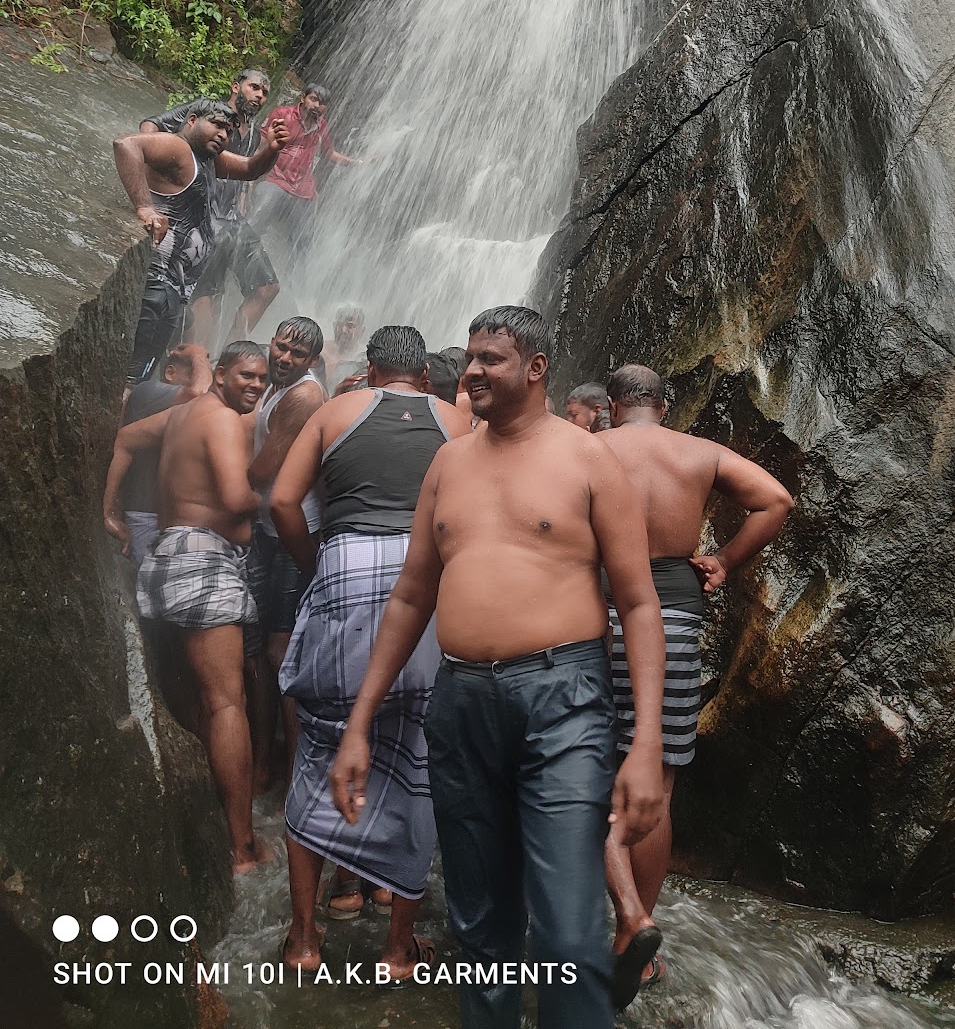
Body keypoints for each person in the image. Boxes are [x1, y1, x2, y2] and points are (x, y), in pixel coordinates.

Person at [329, 305, 666, 1029]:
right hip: (460, 704)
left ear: (536, 369)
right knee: (482, 931)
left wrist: (643, 746)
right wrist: (359, 725)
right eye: (472, 358)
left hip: (565, 700)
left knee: (569, 933)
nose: (472, 370)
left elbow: (638, 605)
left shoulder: (588, 459)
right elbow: (412, 595)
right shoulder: (448, 462)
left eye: (490, 359)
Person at [271, 326, 472, 981]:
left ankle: (305, 941)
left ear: (372, 367)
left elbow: (281, 500)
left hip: (344, 575)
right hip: (427, 585)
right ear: (423, 375)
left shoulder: (336, 410)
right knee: (415, 755)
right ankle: (397, 951)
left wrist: (314, 564)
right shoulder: (457, 421)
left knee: (320, 753)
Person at [601, 363, 795, 1006]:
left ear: (611, 404)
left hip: (595, 611)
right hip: (677, 616)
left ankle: (592, 918)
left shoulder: (589, 449)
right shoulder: (701, 452)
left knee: (586, 761)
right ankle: (638, 938)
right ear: (663, 404)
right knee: (656, 773)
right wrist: (724, 561)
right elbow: (777, 501)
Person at [120, 342, 272, 871]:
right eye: (246, 375)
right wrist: (275, 491)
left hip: (164, 557)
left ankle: (205, 820)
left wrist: (108, 511)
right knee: (227, 702)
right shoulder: (225, 421)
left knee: (189, 699)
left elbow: (122, 439)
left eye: (262, 378)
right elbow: (234, 498)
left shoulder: (180, 413)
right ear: (222, 375)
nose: (255, 385)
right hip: (203, 560)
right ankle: (241, 848)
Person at [113, 101, 289, 383]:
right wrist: (144, 206)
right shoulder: (178, 148)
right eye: (217, 125)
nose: (223, 134)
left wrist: (270, 149)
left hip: (175, 288)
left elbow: (248, 169)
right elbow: (126, 145)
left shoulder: (205, 160)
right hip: (157, 283)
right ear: (192, 120)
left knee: (150, 372)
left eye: (229, 131)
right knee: (132, 376)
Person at [244, 317, 327, 792]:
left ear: (312, 361)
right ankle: (265, 761)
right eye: (280, 347)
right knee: (261, 650)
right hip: (268, 529)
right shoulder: (279, 384)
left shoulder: (303, 395)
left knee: (280, 654)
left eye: (296, 355)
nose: (284, 358)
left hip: (289, 534)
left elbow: (264, 470)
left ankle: (291, 772)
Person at [140, 70, 280, 346]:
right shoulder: (207, 115)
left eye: (264, 93)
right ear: (235, 86)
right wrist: (156, 185)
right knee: (206, 295)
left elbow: (247, 171)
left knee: (267, 287)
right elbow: (150, 126)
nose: (259, 96)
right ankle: (192, 362)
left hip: (234, 221)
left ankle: (232, 353)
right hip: (204, 217)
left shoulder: (252, 131)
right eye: (253, 88)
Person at [103, 343, 212, 565]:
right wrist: (198, 354)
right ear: (170, 373)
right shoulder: (148, 391)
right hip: (145, 517)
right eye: (194, 374)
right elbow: (200, 394)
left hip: (162, 517)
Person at [251, 83, 359, 251]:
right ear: (303, 98)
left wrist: (358, 163)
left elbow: (329, 153)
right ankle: (239, 257)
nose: (317, 106)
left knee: (306, 239)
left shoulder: (321, 126)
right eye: (313, 99)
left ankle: (295, 276)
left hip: (303, 190)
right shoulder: (282, 115)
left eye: (322, 103)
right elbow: (261, 145)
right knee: (257, 219)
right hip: (276, 180)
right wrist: (249, 178)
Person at [321, 303, 367, 391]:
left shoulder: (365, 356)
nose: (343, 330)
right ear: (334, 326)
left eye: (350, 326)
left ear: (362, 330)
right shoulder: (321, 351)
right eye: (339, 324)